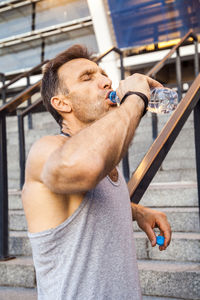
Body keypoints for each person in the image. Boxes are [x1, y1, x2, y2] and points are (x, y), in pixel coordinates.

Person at [22, 44, 171, 300]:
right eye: (87, 78)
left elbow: (87, 201)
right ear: (62, 103)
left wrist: (136, 211)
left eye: (103, 74)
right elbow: (85, 167)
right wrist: (135, 99)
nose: (105, 81)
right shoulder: (46, 151)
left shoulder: (105, 159)